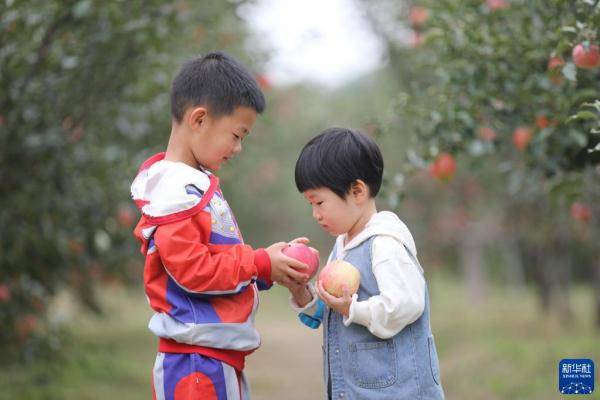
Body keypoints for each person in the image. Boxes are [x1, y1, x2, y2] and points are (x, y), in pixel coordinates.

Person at [130, 51, 309, 400]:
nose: (239, 148)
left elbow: (216, 262)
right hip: (194, 365)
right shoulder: (174, 192)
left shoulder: (194, 185)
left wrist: (268, 269)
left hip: (212, 359)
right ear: (199, 120)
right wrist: (257, 262)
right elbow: (193, 270)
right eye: (237, 134)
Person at [288, 127, 445, 399]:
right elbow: (331, 312)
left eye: (319, 202)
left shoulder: (385, 243)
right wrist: (299, 288)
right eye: (310, 204)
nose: (315, 214)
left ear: (357, 191)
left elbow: (406, 303)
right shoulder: (342, 246)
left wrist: (353, 308)